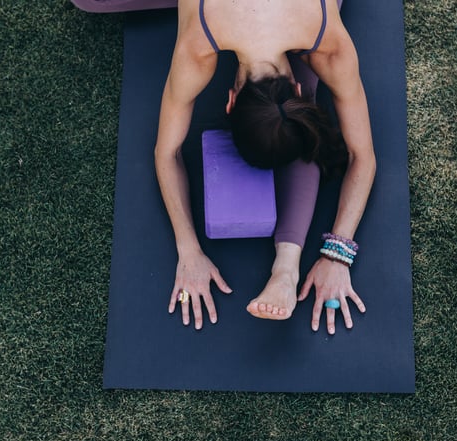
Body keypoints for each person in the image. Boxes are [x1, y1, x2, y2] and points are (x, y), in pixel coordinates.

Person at [153, 0, 375, 334]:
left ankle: (286, 268)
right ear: (229, 102)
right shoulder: (329, 49)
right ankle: (286, 267)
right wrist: (188, 250)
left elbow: (168, 152)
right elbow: (363, 156)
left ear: (229, 100)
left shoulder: (197, 48)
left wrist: (337, 254)